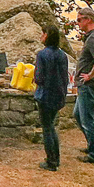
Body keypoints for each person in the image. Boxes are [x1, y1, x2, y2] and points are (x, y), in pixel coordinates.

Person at [73, 8, 94, 164]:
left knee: (87, 119)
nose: (77, 23)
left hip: (89, 84)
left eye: (80, 20)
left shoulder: (93, 38)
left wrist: (90, 75)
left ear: (89, 20)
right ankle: (92, 145)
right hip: (85, 84)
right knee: (78, 115)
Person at [34, 24, 68, 171]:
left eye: (43, 34)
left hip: (45, 94)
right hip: (58, 94)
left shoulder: (42, 55)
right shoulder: (62, 55)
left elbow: (39, 78)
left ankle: (51, 161)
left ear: (47, 36)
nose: (41, 36)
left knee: (47, 128)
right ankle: (56, 158)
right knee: (51, 126)